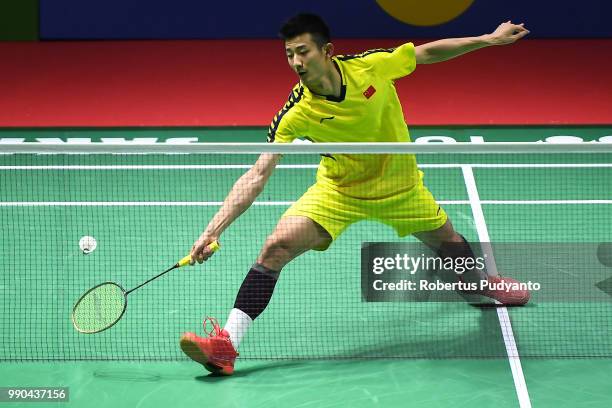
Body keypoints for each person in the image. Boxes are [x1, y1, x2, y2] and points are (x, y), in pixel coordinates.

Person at [180, 13, 531, 375]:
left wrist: (488, 39)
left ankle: (479, 285)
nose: (296, 62)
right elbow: (257, 174)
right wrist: (213, 230)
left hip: (400, 187)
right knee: (275, 247)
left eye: (303, 51)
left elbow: (425, 54)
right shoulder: (296, 113)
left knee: (448, 242)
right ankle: (227, 346)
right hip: (339, 191)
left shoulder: (371, 67)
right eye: (289, 54)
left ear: (328, 51)